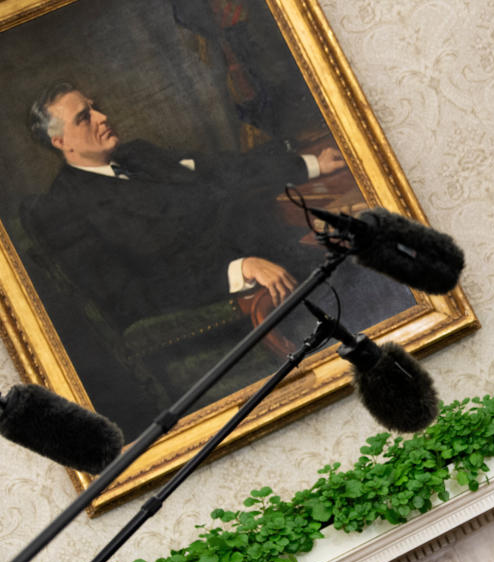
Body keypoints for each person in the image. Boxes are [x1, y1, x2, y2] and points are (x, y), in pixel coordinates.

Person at [21, 81, 413, 434]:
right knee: (378, 298)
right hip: (240, 298)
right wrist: (236, 271)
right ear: (61, 142)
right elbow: (130, 296)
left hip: (281, 252)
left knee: (380, 258)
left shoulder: (138, 156)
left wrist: (307, 165)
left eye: (97, 106)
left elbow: (223, 170)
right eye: (85, 117)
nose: (103, 117)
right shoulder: (66, 211)